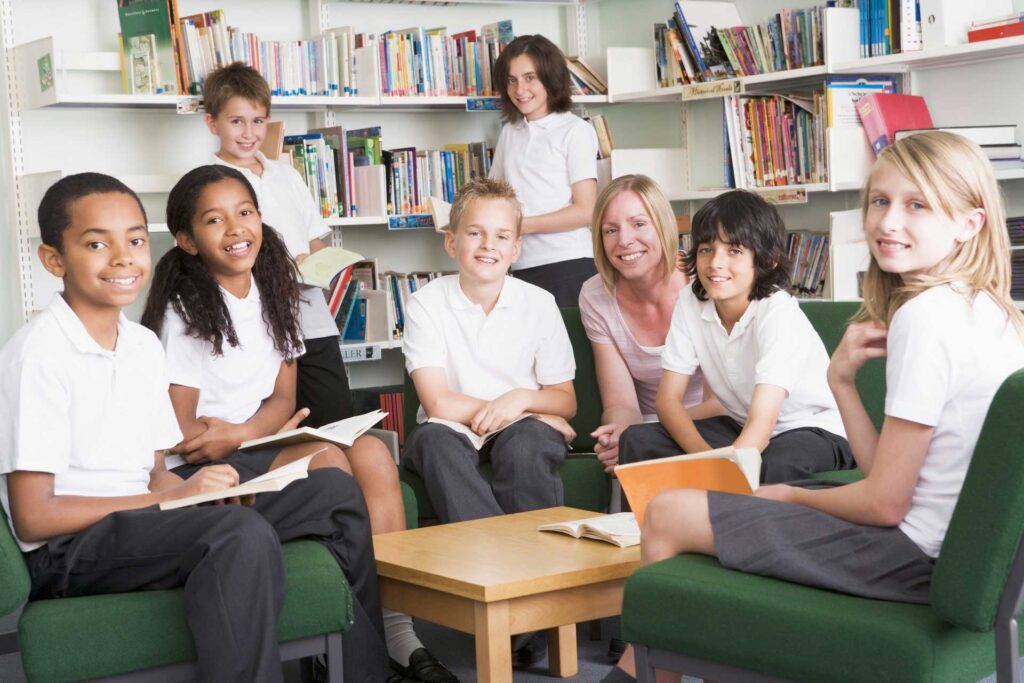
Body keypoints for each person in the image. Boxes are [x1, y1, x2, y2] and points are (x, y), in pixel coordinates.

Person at [608, 131, 1024, 682]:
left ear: (970, 223)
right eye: (880, 201)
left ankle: (638, 672)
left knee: (667, 513)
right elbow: (886, 479)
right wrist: (841, 382)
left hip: (911, 557)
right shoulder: (995, 310)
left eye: (916, 204)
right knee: (718, 504)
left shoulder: (925, 318)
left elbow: (884, 506)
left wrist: (787, 495)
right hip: (946, 549)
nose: (887, 221)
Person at [0, 172, 385, 682]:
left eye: (135, 240)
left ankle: (366, 674)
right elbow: (33, 519)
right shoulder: (36, 357)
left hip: (141, 520)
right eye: (96, 243)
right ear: (54, 260)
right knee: (237, 532)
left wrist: (191, 495)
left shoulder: (140, 346)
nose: (122, 257)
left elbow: (156, 473)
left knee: (332, 493)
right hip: (72, 550)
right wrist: (171, 500)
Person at [141, 165, 457, 683]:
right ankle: (339, 647)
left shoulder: (275, 294)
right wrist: (240, 435)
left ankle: (397, 633)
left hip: (249, 442)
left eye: (245, 213)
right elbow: (183, 435)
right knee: (330, 461)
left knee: (375, 455)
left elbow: (282, 399)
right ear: (187, 240)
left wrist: (244, 432)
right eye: (215, 220)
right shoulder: (187, 312)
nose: (236, 228)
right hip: (198, 467)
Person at [617, 190, 854, 483]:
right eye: (706, 249)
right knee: (638, 440)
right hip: (741, 426)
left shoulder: (777, 311)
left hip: (813, 429)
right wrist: (704, 458)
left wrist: (724, 470)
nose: (715, 263)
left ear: (769, 260)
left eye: (734, 251)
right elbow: (668, 401)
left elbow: (763, 424)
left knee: (774, 461)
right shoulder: (690, 302)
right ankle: (648, 528)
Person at [401, 176, 578, 524]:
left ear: (516, 249)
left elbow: (565, 401)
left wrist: (521, 400)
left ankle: (538, 554)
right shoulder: (426, 303)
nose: (488, 245)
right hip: (449, 427)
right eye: (474, 233)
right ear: (451, 242)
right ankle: (492, 551)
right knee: (433, 442)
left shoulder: (540, 303)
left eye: (501, 236)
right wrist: (514, 408)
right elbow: (438, 403)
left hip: (522, 429)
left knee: (527, 443)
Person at [202, 61, 351, 429]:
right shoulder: (207, 183)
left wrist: (319, 263)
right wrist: (280, 267)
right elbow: (214, 256)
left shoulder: (287, 174)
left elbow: (315, 241)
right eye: (236, 121)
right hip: (257, 324)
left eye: (258, 120)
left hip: (311, 318)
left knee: (336, 421)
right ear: (212, 123)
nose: (249, 132)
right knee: (275, 427)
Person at [580, 174, 706, 474]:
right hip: (647, 428)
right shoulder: (595, 296)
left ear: (663, 225)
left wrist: (644, 438)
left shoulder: (705, 280)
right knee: (624, 455)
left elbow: (727, 399)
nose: (624, 241)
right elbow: (621, 401)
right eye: (611, 230)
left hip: (711, 422)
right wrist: (618, 433)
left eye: (639, 224)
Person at [489, 34, 600, 306]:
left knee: (569, 348)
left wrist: (521, 226)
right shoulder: (509, 133)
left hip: (568, 264)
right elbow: (493, 196)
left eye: (530, 78)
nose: (520, 89)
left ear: (550, 78)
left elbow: (586, 210)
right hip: (518, 264)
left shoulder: (575, 131)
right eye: (512, 80)